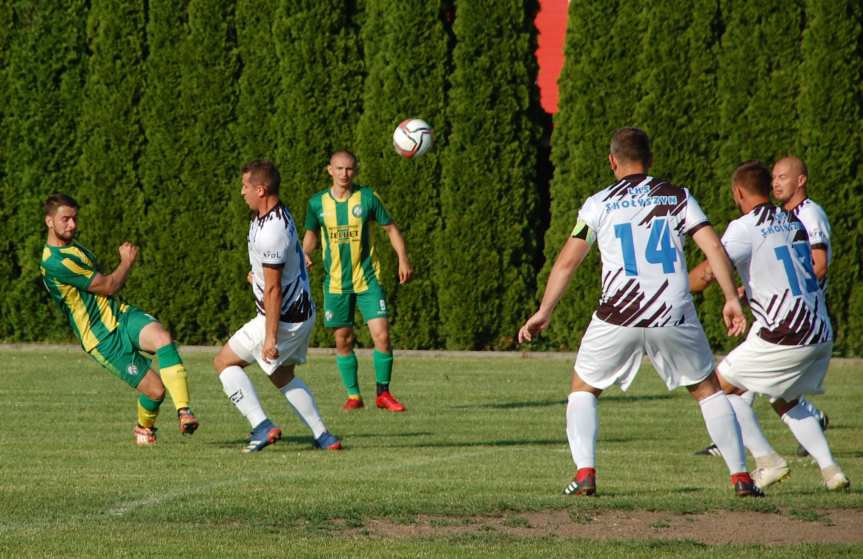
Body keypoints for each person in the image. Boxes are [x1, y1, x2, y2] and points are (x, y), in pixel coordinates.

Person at [518, 128, 761, 497]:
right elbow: (712, 245)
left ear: (612, 161)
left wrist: (544, 310)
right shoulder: (678, 196)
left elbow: (568, 262)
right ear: (650, 159)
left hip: (618, 314)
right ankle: (741, 478)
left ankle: (585, 473)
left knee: (583, 388)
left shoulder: (598, 203)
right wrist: (730, 296)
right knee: (709, 391)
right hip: (672, 311)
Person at [688, 160, 848, 491]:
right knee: (783, 398)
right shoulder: (793, 221)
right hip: (819, 329)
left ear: (738, 192)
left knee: (719, 389)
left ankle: (767, 461)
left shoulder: (745, 227)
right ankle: (831, 470)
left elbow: (708, 271)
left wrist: (674, 286)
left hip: (785, 333)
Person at [40, 193, 198, 446]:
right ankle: (143, 428)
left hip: (121, 316)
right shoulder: (55, 262)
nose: (72, 225)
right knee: (155, 392)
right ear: (49, 221)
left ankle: (184, 411)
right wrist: (126, 261)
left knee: (162, 338)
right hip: (101, 338)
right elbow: (108, 286)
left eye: (74, 219)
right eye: (65, 219)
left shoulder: (75, 248)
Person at [213, 160, 341, 453]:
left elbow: (273, 290)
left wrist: (270, 337)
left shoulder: (271, 230)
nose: (242, 192)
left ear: (261, 189)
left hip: (281, 318)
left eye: (246, 186)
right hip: (298, 313)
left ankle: (261, 426)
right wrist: (257, 276)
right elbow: (277, 272)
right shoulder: (273, 215)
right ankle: (324, 436)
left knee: (223, 362)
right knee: (281, 375)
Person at [302, 150, 413, 412]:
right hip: (336, 284)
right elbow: (310, 236)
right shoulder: (317, 203)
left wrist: (403, 258)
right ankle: (354, 396)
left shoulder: (367, 197)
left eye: (349, 169)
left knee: (382, 335)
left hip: (368, 280)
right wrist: (305, 253)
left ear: (356, 170)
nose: (344, 174)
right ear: (329, 170)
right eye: (339, 169)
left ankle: (383, 393)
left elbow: (391, 228)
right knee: (343, 339)